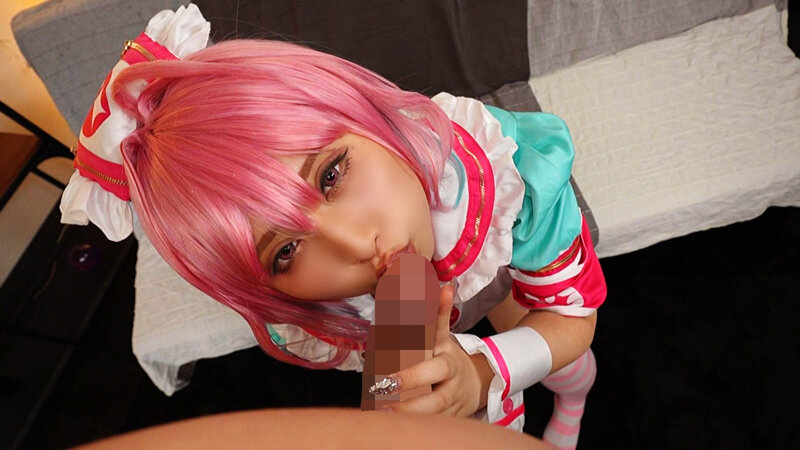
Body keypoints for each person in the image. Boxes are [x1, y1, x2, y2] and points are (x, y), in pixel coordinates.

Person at [62, 5, 606, 449]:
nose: (355, 245)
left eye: (331, 175)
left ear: (363, 113)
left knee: (562, 360)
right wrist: (401, 397)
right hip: (426, 320)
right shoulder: (317, 310)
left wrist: (486, 372)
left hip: (502, 267)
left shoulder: (503, 172)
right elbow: (386, 388)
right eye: (286, 251)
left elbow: (572, 317)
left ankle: (574, 402)